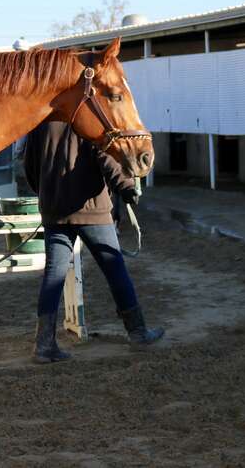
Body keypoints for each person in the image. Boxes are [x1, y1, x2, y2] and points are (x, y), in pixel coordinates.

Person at [23, 121, 164, 363]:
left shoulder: (40, 122)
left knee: (53, 277)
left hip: (54, 211)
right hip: (92, 211)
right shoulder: (88, 117)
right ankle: (138, 332)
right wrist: (127, 188)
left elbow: (29, 166)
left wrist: (48, 195)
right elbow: (106, 158)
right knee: (115, 269)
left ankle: (44, 345)